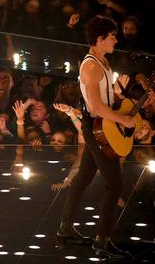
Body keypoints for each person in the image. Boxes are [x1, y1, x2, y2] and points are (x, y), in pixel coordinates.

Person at [56, 16, 137, 259]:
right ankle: (102, 239)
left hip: (101, 126)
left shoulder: (102, 60)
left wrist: (118, 93)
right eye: (111, 35)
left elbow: (105, 98)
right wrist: (123, 119)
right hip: (98, 129)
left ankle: (65, 228)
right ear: (100, 39)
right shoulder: (91, 66)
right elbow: (95, 106)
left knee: (83, 178)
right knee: (114, 184)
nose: (115, 38)